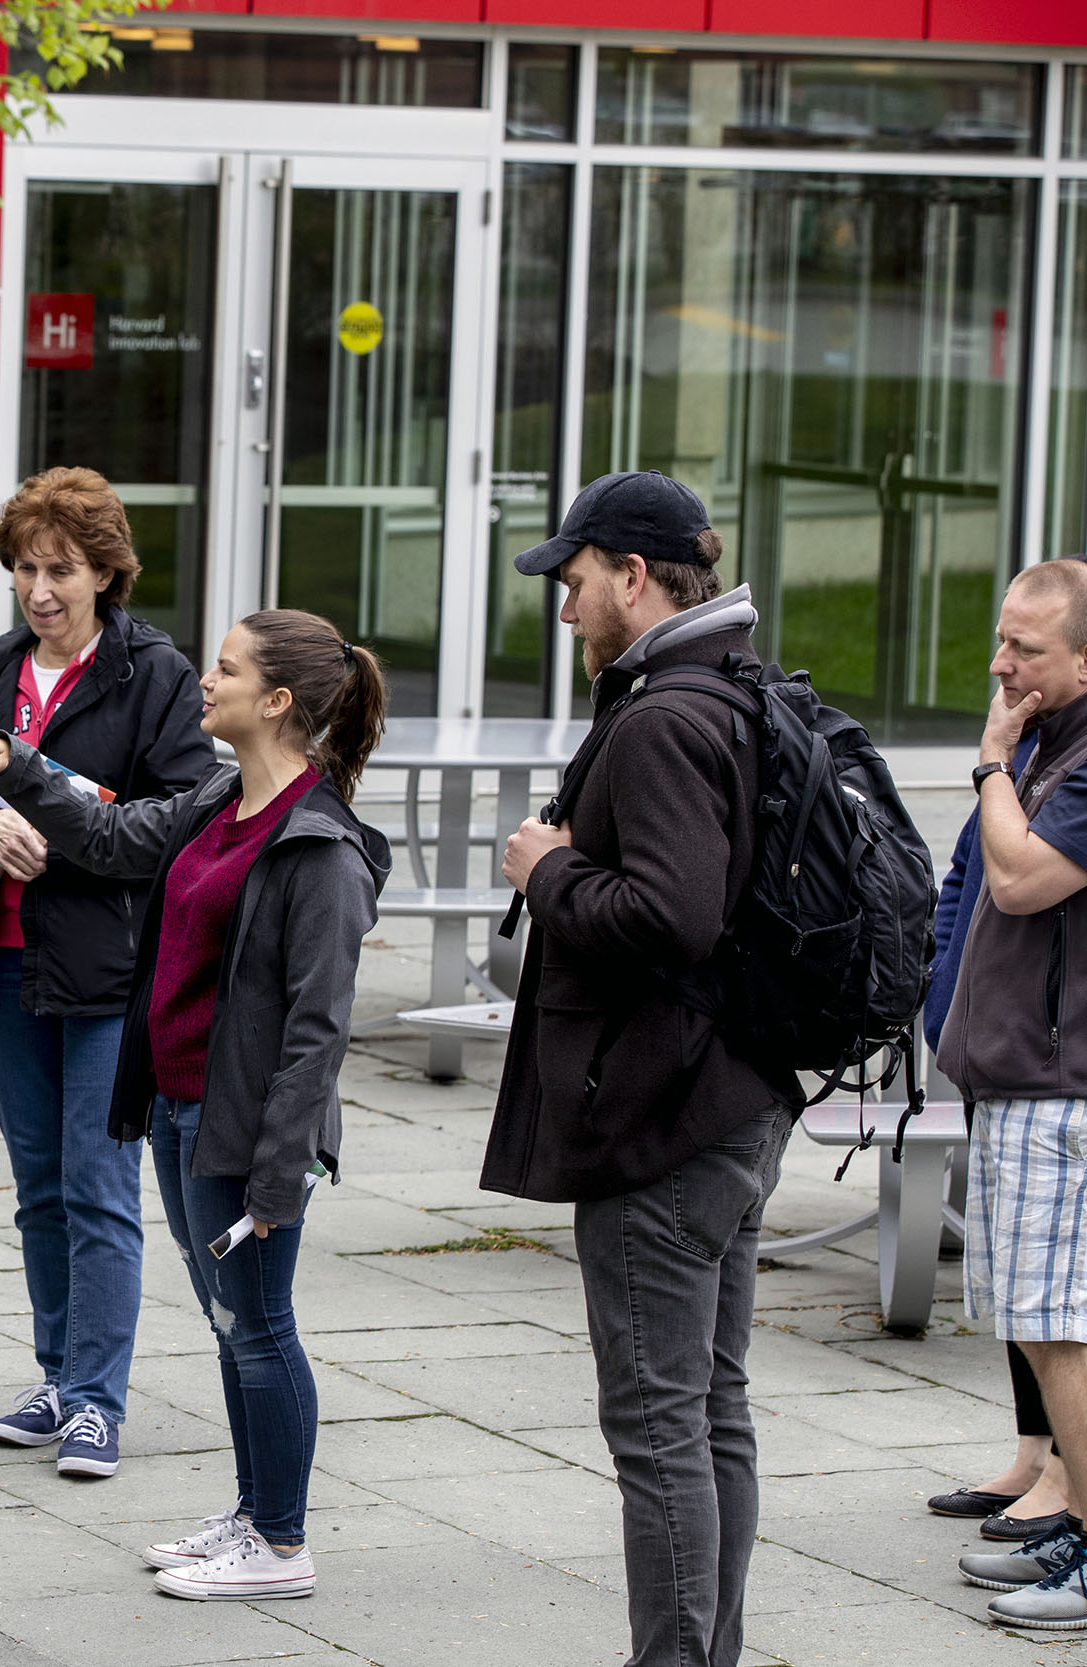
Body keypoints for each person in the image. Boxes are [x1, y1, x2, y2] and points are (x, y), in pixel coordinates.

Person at [0, 608, 389, 1601]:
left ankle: (279, 1542)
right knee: (233, 1324)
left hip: (249, 1129)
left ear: (275, 700)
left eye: (226, 669)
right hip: (184, 1110)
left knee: (260, 1323)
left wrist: (280, 1172)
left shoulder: (318, 846)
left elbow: (316, 1033)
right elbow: (106, 835)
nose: (205, 680)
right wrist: (19, 765)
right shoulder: (217, 801)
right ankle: (251, 1511)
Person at [487, 471, 803, 1667]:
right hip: (730, 1094)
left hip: (664, 1120)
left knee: (660, 1423)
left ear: (631, 575)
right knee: (709, 1407)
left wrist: (546, 871)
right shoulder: (731, 685)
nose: (565, 610)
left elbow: (671, 915)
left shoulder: (666, 716)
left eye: (573, 584)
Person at [0, 467, 213, 1480]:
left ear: (105, 571)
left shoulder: (156, 676)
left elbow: (177, 819)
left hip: (110, 973)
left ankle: (98, 1397)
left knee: (99, 1188)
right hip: (11, 965)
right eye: (22, 568)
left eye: (59, 569)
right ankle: (57, 1372)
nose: (38, 589)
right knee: (40, 1188)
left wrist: (46, 794)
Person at [936, 559, 1087, 1628]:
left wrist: (991, 761)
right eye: (1001, 639)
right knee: (1036, 1328)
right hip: (1015, 1075)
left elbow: (1022, 877)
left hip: (1058, 1085)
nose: (1000, 663)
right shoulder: (1055, 742)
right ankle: (1074, 1522)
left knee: (1059, 1329)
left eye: (1025, 647)